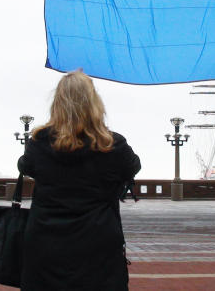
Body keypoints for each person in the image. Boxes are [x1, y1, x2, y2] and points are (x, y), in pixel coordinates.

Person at [18, 70, 142, 290]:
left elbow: (25, 165)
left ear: (57, 103)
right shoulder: (113, 144)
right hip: (98, 245)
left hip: (45, 244)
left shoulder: (39, 142)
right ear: (94, 103)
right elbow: (134, 166)